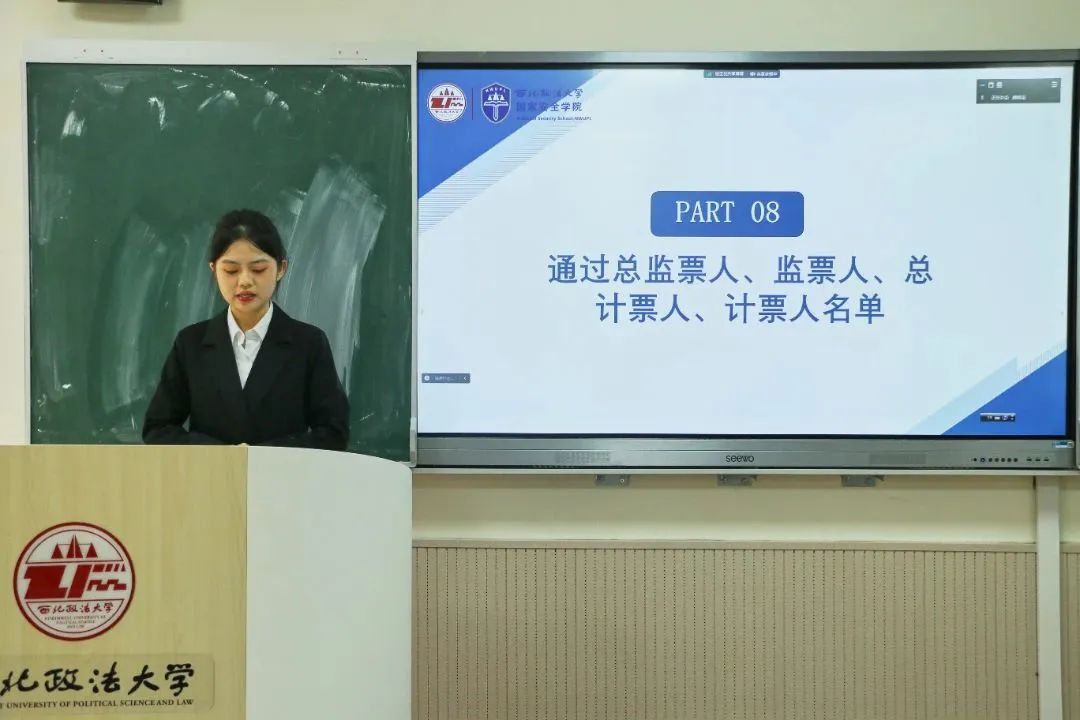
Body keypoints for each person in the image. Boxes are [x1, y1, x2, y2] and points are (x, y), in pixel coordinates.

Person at [143, 209, 349, 450]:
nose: (244, 281)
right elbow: (158, 428)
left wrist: (263, 456)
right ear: (214, 270)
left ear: (281, 268)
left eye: (258, 269)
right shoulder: (191, 344)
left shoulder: (309, 343)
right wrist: (222, 455)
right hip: (211, 472)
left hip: (283, 473)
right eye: (231, 271)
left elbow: (334, 432)